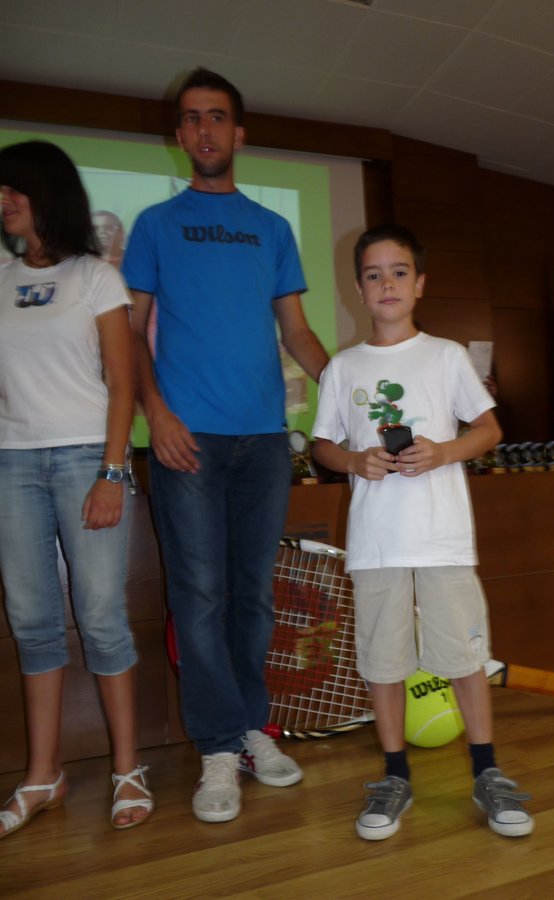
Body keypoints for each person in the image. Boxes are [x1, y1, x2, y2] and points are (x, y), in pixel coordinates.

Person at [121, 68, 329, 824]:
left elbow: (297, 332)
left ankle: (251, 731)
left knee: (253, 598)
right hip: (188, 443)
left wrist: (353, 393)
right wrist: (157, 415)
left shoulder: (272, 229)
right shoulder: (154, 225)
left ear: (238, 133)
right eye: (191, 118)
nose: (204, 129)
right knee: (200, 598)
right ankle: (216, 747)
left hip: (265, 443)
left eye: (217, 117)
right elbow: (129, 332)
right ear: (179, 135)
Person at [312, 224, 533, 841]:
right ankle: (394, 775)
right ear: (358, 289)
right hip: (376, 542)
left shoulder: (446, 356)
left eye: (399, 271)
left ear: (420, 284)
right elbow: (323, 444)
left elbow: (489, 430)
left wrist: (443, 452)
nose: (387, 283)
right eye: (374, 274)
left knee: (464, 657)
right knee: (382, 662)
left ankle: (487, 771)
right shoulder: (343, 367)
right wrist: (355, 460)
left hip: (442, 537)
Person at [0, 141, 152, 838]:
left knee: (100, 617)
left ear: (47, 193)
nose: (3, 201)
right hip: (12, 465)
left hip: (88, 457)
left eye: (14, 189)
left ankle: (127, 768)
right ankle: (44, 776)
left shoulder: (96, 277)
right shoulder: (1, 279)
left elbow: (123, 383)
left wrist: (112, 472)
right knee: (32, 620)